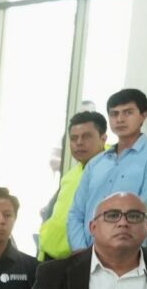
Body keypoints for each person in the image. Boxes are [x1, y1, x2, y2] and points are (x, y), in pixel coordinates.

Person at [64, 88, 147, 251]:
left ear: (144, 115)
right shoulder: (97, 162)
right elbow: (76, 213)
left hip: (123, 257)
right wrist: (81, 251)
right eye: (114, 114)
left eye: (128, 112)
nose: (120, 119)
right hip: (84, 255)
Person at [39, 110, 107, 260]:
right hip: (51, 256)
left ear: (103, 138)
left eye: (87, 136)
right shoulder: (73, 173)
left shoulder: (112, 169)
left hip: (79, 258)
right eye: (74, 138)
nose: (79, 143)